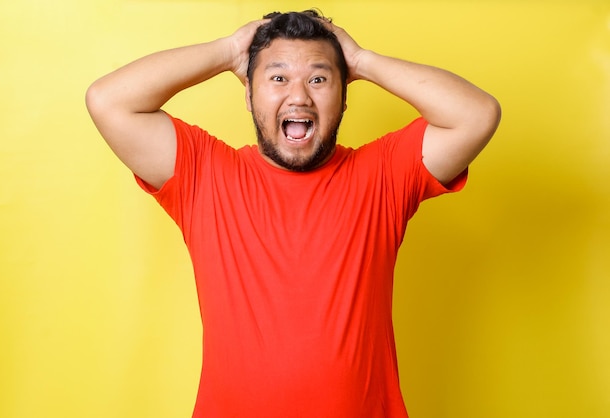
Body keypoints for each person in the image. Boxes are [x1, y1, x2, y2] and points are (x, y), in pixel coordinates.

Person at [86, 9, 500, 418]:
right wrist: (229, 50)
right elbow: (108, 101)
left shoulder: (383, 175)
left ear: (343, 96)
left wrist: (360, 60)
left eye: (318, 79)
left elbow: (476, 114)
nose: (299, 95)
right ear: (249, 94)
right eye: (278, 77)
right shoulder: (204, 174)